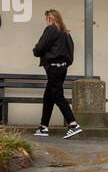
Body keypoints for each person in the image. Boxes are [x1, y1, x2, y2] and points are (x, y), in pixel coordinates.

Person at [31, 8, 83, 139]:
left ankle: (73, 124)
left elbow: (40, 47)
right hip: (62, 68)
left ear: (50, 18)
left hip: (53, 68)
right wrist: (64, 64)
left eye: (47, 19)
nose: (46, 21)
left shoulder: (51, 29)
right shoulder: (66, 33)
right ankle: (43, 127)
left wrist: (36, 49)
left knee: (58, 96)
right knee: (49, 97)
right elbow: (71, 52)